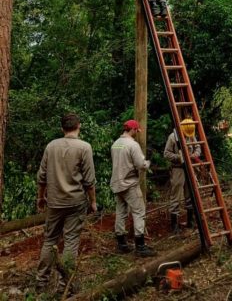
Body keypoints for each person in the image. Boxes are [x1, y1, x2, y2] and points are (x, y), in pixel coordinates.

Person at [36, 113, 96, 294]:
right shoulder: (84, 147)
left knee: (49, 240)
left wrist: (40, 197)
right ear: (79, 126)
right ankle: (65, 286)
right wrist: (93, 202)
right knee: (71, 242)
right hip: (75, 202)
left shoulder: (51, 146)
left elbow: (42, 176)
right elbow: (89, 181)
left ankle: (41, 282)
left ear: (63, 128)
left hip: (54, 202)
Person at [110, 119, 156, 257]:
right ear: (133, 130)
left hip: (117, 183)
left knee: (121, 213)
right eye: (137, 131)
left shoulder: (115, 144)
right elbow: (141, 165)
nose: (137, 133)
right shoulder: (132, 145)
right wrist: (148, 160)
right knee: (139, 212)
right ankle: (140, 246)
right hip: (129, 184)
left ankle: (121, 244)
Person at [164, 118, 201, 233]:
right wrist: (179, 157)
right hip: (178, 169)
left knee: (190, 194)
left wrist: (194, 155)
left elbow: (198, 147)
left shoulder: (190, 134)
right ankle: (174, 224)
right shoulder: (172, 137)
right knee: (175, 196)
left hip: (190, 168)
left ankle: (190, 221)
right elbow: (166, 153)